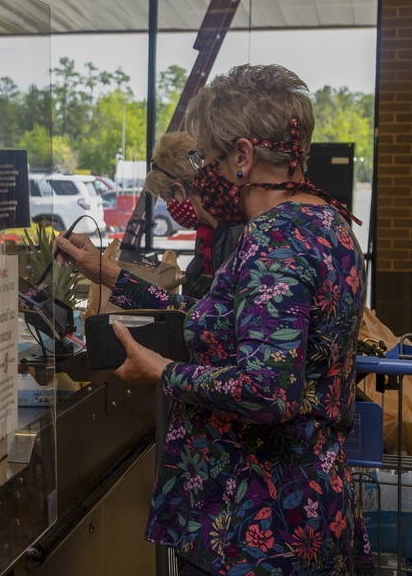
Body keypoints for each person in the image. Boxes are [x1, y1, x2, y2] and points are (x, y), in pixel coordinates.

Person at [54, 64, 371, 575]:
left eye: (208, 157)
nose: (202, 174)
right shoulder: (327, 222)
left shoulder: (275, 240)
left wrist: (162, 372)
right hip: (305, 509)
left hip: (260, 527)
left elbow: (269, 389)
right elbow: (216, 320)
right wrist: (107, 272)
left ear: (243, 157)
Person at [144, 131, 243, 298]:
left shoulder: (238, 234)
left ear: (179, 189)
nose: (169, 207)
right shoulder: (206, 235)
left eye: (167, 199)